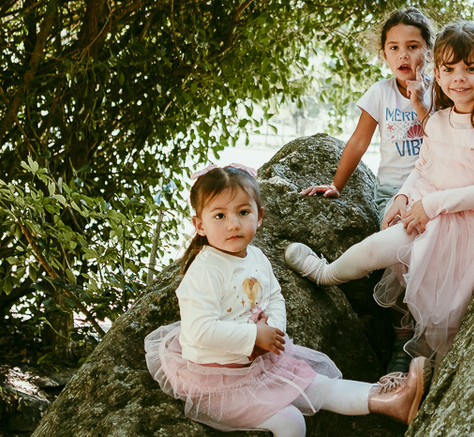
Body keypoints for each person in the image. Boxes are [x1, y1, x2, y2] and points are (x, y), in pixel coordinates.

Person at [285, 22, 474, 360]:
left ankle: (424, 368)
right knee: (386, 255)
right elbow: (422, 168)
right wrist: (402, 198)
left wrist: (429, 205)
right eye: (450, 69)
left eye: (470, 69)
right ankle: (327, 274)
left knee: (443, 306)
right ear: (437, 74)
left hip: (468, 222)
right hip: (427, 206)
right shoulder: (438, 121)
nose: (459, 79)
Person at [144, 164, 426, 437]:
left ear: (260, 216)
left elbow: (275, 297)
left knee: (320, 386)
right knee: (291, 422)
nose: (233, 224)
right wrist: (255, 335)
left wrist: (274, 333)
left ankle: (389, 400)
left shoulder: (256, 257)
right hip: (217, 378)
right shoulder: (205, 270)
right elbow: (200, 331)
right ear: (199, 225)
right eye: (219, 216)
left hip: (261, 360)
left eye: (243, 212)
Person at [301, 8, 434, 213]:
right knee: (397, 229)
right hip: (392, 189)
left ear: (429, 52)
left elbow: (445, 138)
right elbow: (358, 142)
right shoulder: (380, 92)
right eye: (394, 48)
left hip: (431, 186)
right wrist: (336, 185)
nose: (403, 55)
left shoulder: (441, 91)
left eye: (413, 46)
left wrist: (420, 103)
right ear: (385, 55)